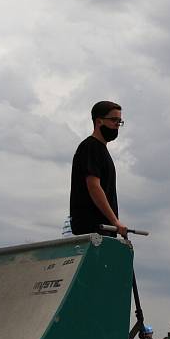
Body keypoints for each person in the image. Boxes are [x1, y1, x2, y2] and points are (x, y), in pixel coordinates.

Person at [69, 101, 128, 239]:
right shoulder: (90, 147)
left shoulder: (102, 150)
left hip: (104, 229)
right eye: (114, 120)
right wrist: (115, 221)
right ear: (99, 121)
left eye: (119, 121)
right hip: (92, 229)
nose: (117, 125)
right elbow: (94, 186)